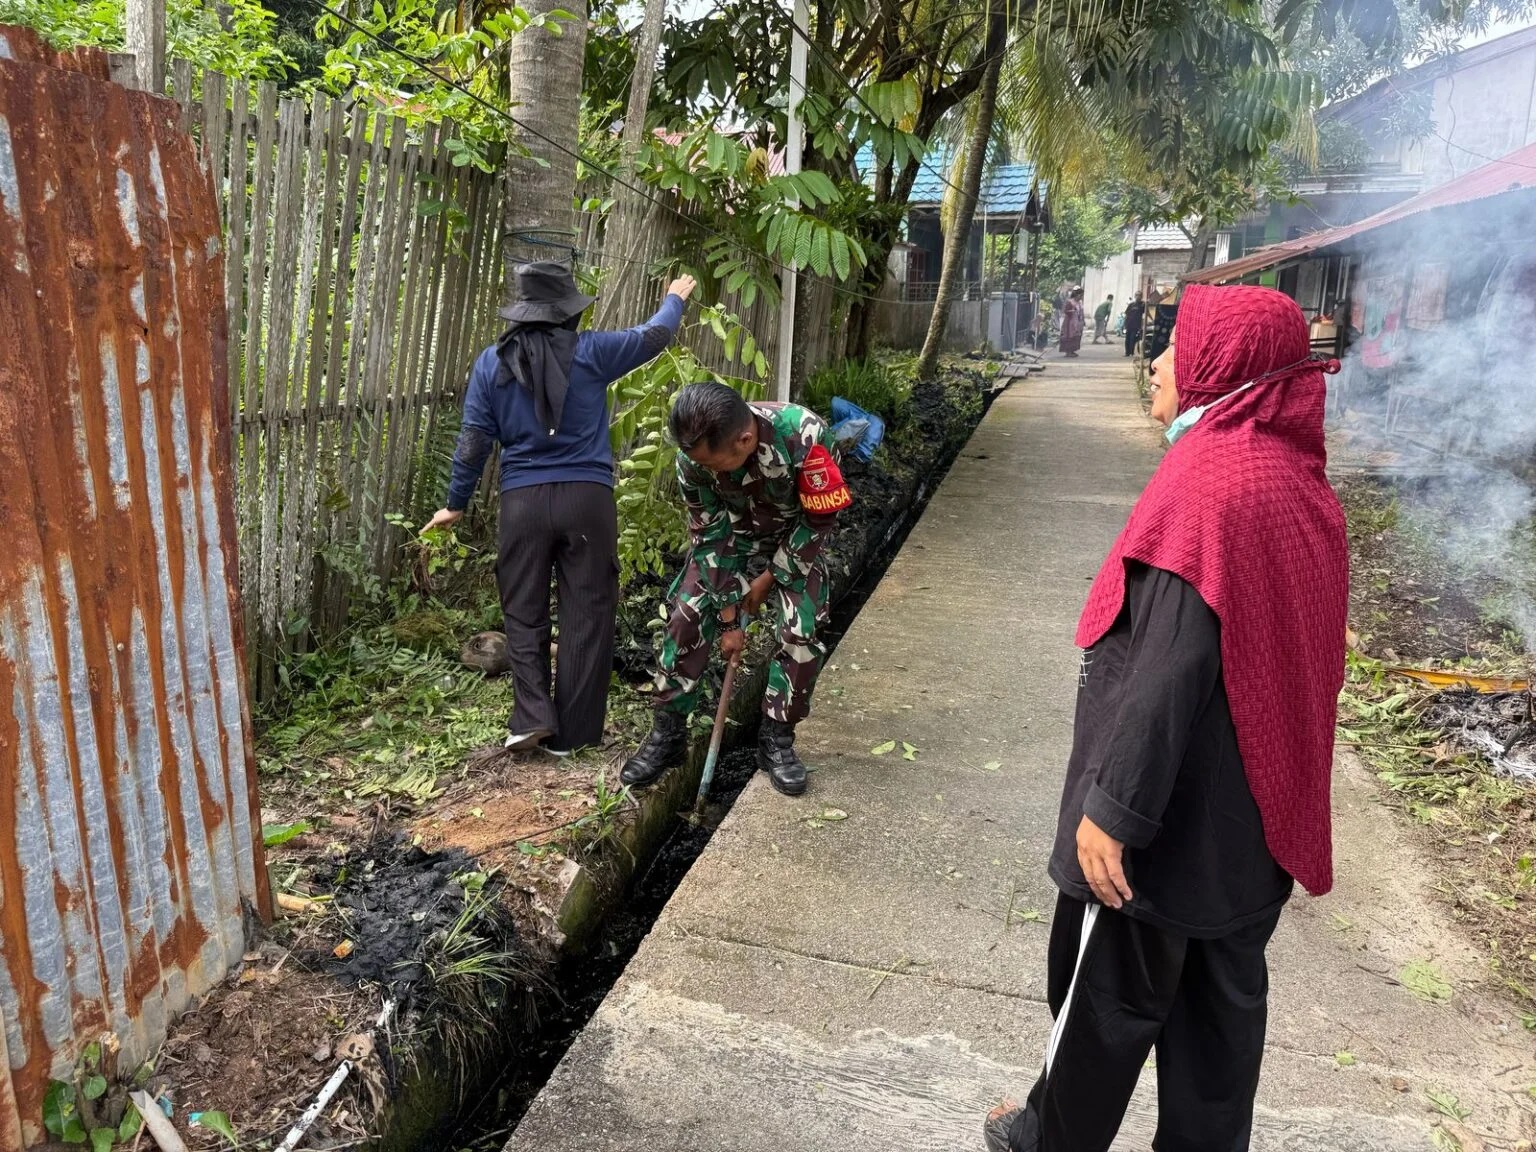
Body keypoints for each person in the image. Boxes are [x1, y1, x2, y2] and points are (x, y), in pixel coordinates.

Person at [983, 284, 1348, 1152]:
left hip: (1169, 826)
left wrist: (1114, 810)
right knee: (1219, 1024)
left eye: (1180, 347)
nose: (1156, 362)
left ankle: (1047, 1139)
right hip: (1251, 825)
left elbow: (1168, 665)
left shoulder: (1208, 483)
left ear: (1226, 365)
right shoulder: (1291, 476)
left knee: (1103, 1005)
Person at [424, 263, 697, 755]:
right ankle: (573, 735)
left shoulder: (491, 363)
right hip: (587, 500)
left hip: (522, 504)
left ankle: (531, 717)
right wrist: (675, 298)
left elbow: (473, 440)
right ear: (567, 313)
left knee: (523, 611)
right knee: (587, 613)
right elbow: (654, 336)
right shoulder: (591, 351)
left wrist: (455, 504)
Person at [620, 382, 851, 796]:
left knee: (800, 630)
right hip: (731, 542)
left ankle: (776, 740)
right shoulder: (693, 457)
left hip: (792, 540)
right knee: (684, 618)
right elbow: (710, 537)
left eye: (714, 464)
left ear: (744, 440)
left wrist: (767, 580)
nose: (707, 471)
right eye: (700, 464)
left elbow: (819, 520)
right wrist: (729, 618)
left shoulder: (807, 437)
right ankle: (668, 735)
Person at [1058, 288, 1085, 357]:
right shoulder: (1070, 302)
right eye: (1081, 295)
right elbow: (1065, 311)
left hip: (1077, 321)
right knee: (1069, 336)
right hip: (1070, 322)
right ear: (1077, 295)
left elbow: (1081, 312)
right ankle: (1068, 352)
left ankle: (1072, 350)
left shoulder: (1079, 303)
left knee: (1076, 336)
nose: (1081, 297)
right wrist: (1073, 311)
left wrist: (1082, 320)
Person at [1123, 293, 1145, 358]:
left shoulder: (1142, 305)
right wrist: (1124, 324)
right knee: (1127, 339)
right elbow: (1126, 314)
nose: (1138, 296)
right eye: (1137, 295)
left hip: (1136, 325)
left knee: (1133, 339)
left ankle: (1131, 352)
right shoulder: (1131, 305)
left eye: (1140, 295)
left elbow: (1147, 312)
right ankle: (1127, 353)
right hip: (1129, 324)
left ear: (1141, 296)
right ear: (1135, 296)